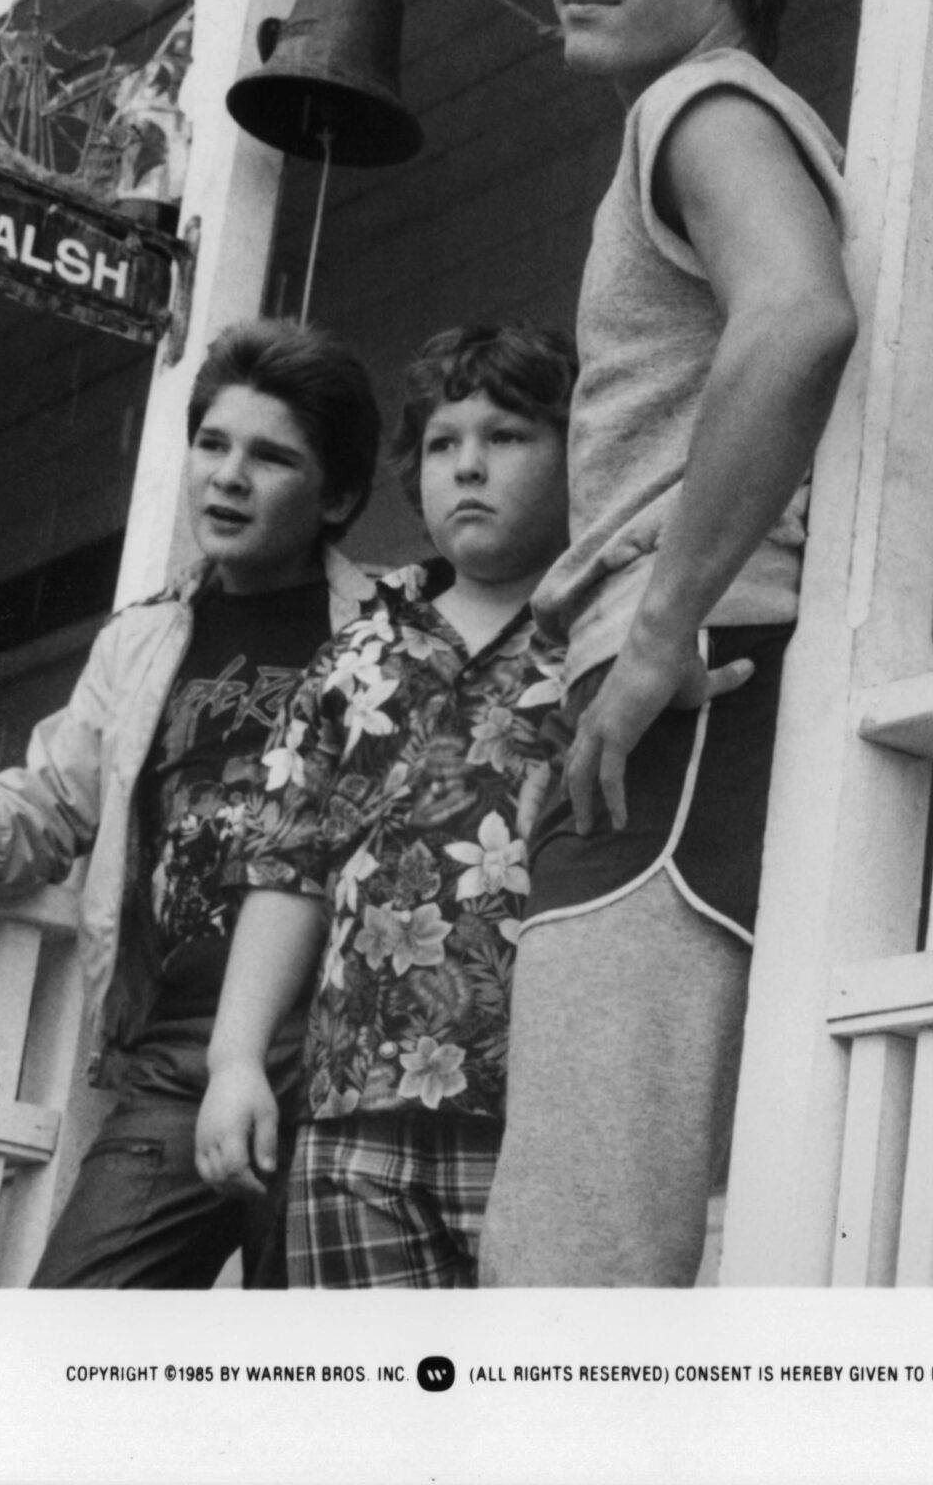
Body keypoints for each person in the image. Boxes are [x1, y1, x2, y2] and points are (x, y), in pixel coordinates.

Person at [476, 0, 857, 1287]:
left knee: (571, 1249)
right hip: (687, 683)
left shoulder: (700, 106)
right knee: (625, 1234)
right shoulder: (713, 118)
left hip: (685, 687)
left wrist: (652, 630)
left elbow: (799, 318)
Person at [0, 318, 381, 1287]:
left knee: (317, 1357)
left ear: (339, 495)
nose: (228, 476)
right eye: (213, 444)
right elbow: (56, 791)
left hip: (341, 1053)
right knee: (72, 1330)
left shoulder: (385, 633)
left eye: (271, 457)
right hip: (179, 1055)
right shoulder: (141, 640)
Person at [194, 324, 574, 1288]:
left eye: (508, 436)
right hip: (351, 1114)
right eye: (443, 444)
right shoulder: (358, 651)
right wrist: (236, 1060)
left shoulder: (603, 639)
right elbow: (287, 866)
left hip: (540, 1110)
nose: (469, 466)